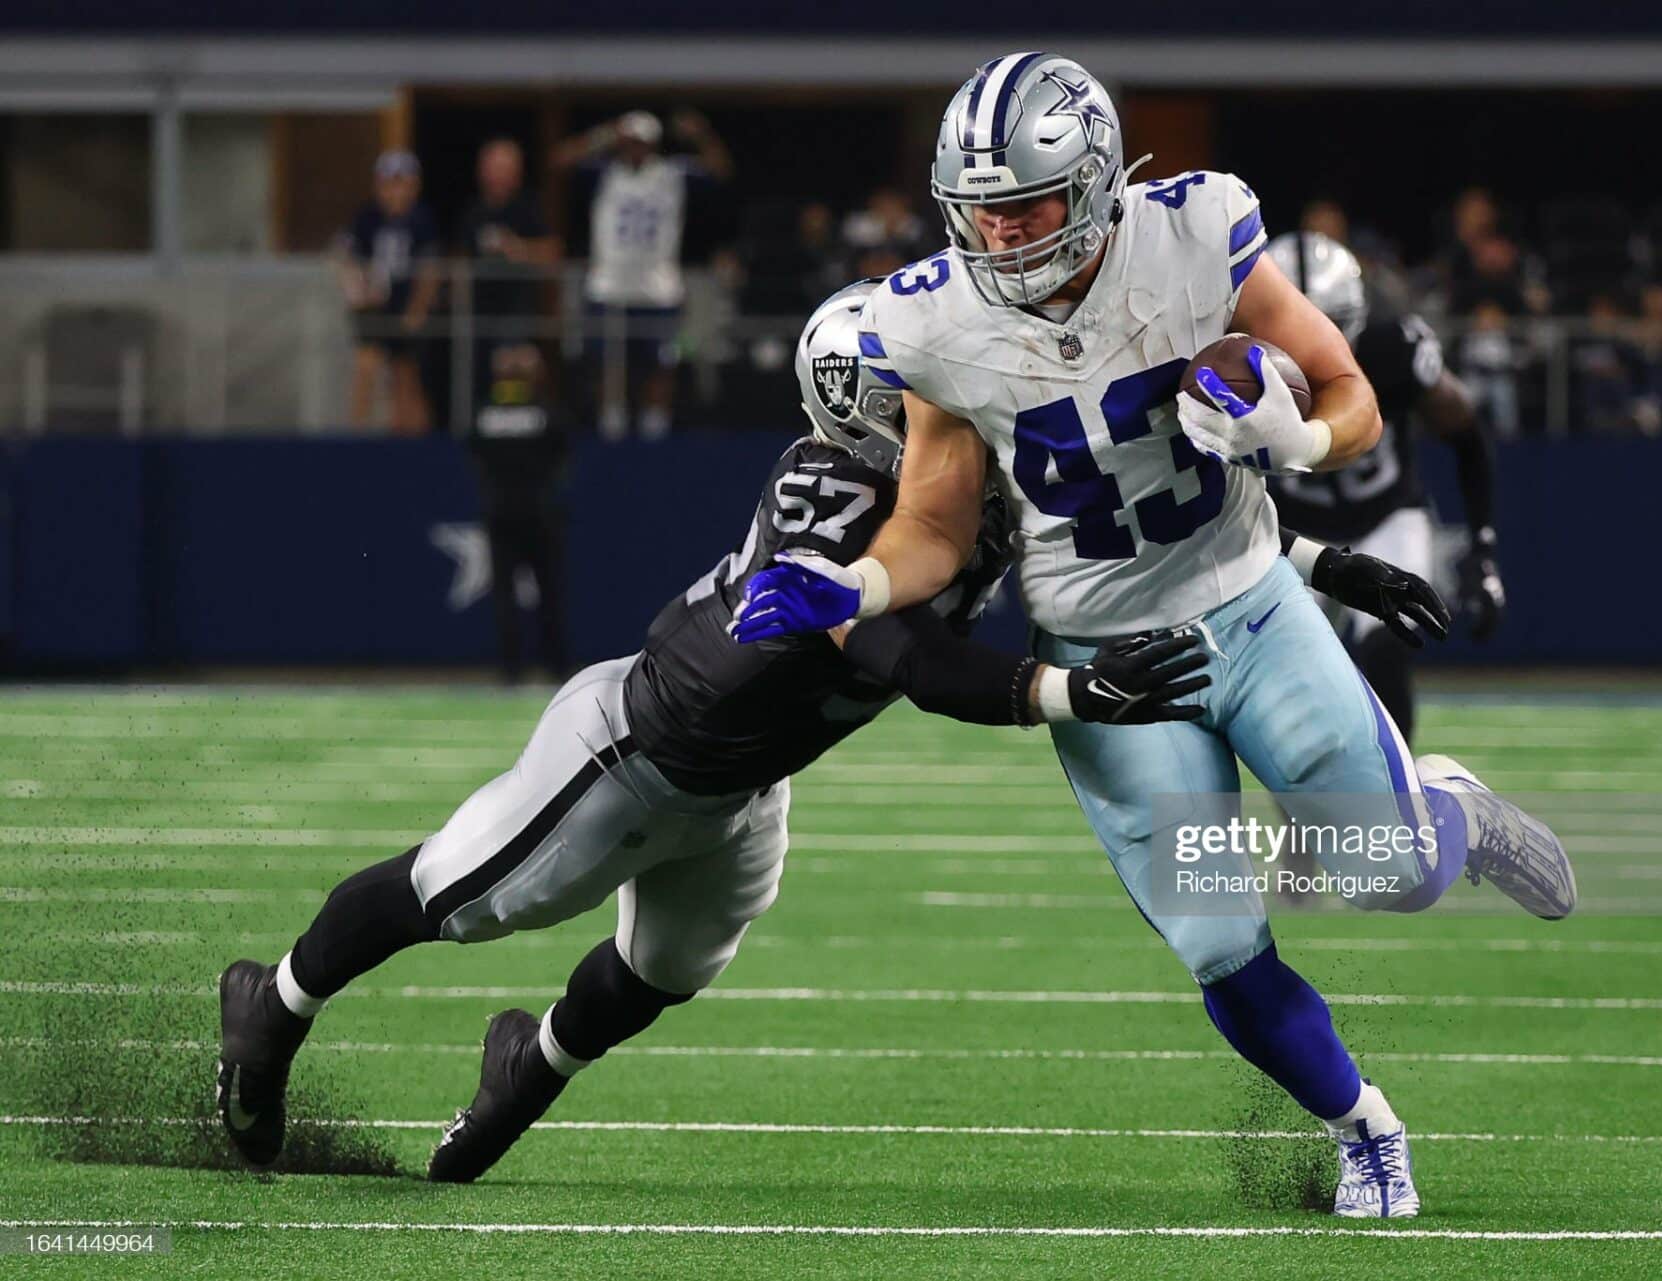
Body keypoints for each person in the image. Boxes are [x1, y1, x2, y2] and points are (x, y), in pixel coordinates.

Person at [215, 278, 1448, 1184]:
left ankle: (518, 1078)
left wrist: (1327, 563)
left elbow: (1127, 516)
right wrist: (1073, 695)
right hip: (635, 752)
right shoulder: (838, 493)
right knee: (463, 895)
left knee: (662, 972)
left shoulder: (969, 476)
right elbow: (907, 659)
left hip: (749, 786)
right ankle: (272, 1004)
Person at [732, 53, 1577, 1221]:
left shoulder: (1194, 234)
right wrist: (858, 586)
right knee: (1219, 939)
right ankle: (1363, 1130)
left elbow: (1350, 394)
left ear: (1092, 181)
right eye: (979, 208)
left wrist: (1296, 443)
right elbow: (934, 520)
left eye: (1028, 204)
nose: (1000, 232)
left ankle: (1456, 816)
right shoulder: (929, 319)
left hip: (1250, 603)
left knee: (1388, 876)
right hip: (1107, 661)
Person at [1266, 231, 1502, 745]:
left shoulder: (1391, 349)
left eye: (1329, 325)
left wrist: (1484, 546)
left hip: (1384, 517)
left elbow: (1465, 433)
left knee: (1387, 646)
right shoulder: (1240, 362)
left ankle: (1394, 787)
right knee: (1288, 680)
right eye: (1294, 324)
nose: (1310, 344)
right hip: (1295, 531)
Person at [555, 109, 733, 440]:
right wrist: (605, 134)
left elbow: (720, 170)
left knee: (662, 362)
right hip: (609, 284)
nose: (635, 149)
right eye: (631, 142)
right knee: (608, 362)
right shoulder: (605, 171)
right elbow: (561, 160)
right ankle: (611, 425)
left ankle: (655, 426)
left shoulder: (671, 173)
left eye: (642, 143)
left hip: (658, 287)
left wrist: (700, 136)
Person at [468, 343, 570, 683]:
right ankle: (555, 665)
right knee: (549, 592)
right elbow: (562, 449)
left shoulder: (485, 412)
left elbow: (475, 451)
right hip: (538, 513)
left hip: (501, 513)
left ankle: (511, 668)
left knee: (505, 595)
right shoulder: (544, 409)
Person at [338, 150, 441, 434]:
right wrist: (359, 291)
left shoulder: (421, 219)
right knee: (366, 366)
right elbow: (345, 258)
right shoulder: (367, 217)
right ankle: (358, 435)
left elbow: (430, 270)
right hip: (374, 307)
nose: (395, 192)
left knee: (405, 373)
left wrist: (418, 308)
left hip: (405, 305)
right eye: (388, 184)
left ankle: (410, 437)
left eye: (401, 184)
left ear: (414, 186)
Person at [455, 138, 562, 406]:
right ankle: (493, 413)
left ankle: (520, 412)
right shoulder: (473, 211)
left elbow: (553, 252)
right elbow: (460, 257)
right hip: (480, 310)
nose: (497, 175)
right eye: (493, 168)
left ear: (517, 172)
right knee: (485, 368)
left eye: (504, 168)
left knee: (517, 361)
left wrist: (517, 248)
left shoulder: (528, 208)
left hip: (519, 307)